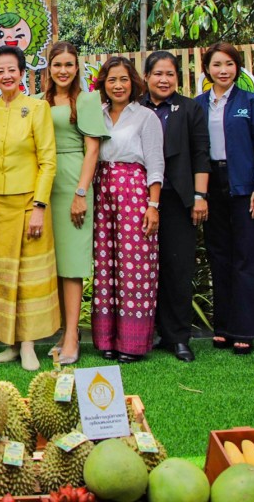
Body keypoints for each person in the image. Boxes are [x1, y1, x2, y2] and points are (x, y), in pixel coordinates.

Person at [0, 45, 60, 370]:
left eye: (12, 69)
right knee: (2, 275)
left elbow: (48, 161)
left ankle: (28, 345)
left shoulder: (37, 108)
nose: (6, 76)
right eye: (0, 71)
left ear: (22, 73)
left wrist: (39, 205)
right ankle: (9, 343)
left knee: (29, 276)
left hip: (29, 202)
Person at [196, 41, 254, 356]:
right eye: (216, 64)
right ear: (207, 69)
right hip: (210, 185)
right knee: (219, 257)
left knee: (244, 257)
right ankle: (223, 327)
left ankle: (244, 330)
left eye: (229, 64)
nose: (223, 70)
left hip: (244, 186)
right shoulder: (199, 105)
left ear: (237, 68)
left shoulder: (250, 102)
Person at [38, 42, 107, 364]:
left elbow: (92, 149)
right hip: (44, 182)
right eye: (57, 65)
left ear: (77, 67)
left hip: (72, 181)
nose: (63, 70)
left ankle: (71, 337)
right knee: (53, 262)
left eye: (68, 64)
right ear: (49, 68)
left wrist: (81, 192)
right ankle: (64, 330)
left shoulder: (87, 100)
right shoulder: (40, 101)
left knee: (71, 264)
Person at [93, 56, 164, 362]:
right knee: (105, 265)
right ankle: (107, 339)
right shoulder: (97, 114)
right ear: (104, 85)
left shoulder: (146, 117)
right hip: (102, 190)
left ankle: (132, 343)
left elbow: (156, 163)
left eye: (123, 79)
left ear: (133, 82)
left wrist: (153, 205)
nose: (118, 86)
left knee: (135, 266)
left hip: (134, 191)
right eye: (112, 80)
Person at [140, 51, 210, 363]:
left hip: (178, 199)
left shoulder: (190, 108)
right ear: (146, 77)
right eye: (158, 73)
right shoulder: (135, 107)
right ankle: (150, 332)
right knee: (144, 269)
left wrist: (199, 195)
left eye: (170, 74)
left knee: (177, 268)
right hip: (139, 200)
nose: (164, 79)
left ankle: (178, 337)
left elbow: (201, 153)